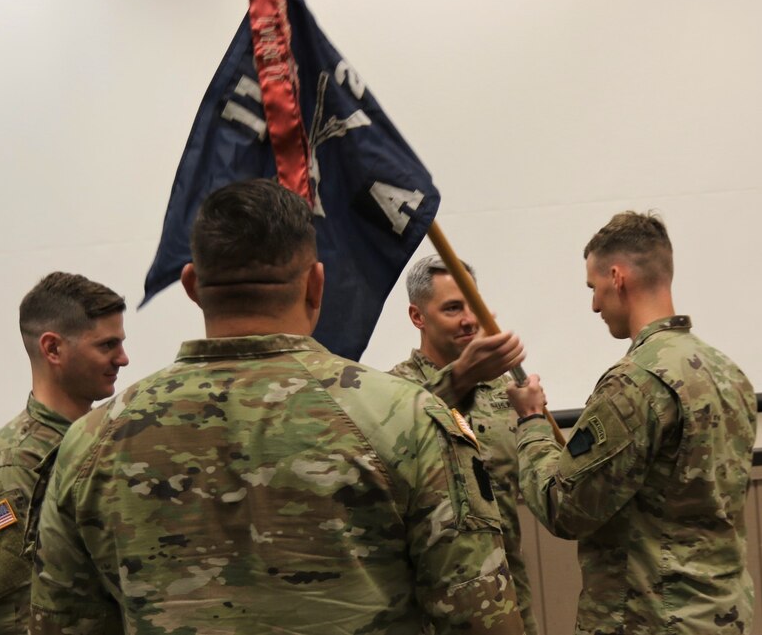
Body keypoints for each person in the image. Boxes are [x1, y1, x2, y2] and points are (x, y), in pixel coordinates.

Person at [29, 179, 525, 635]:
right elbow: (479, 618)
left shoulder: (91, 442)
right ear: (316, 285)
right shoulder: (407, 419)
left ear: (192, 286)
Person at [506, 211, 757, 635]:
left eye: (594, 287)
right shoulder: (729, 374)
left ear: (617, 276)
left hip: (652, 621)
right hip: (722, 616)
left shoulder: (636, 383)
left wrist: (531, 421)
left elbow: (564, 508)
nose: (594, 304)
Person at [0, 272, 128, 635]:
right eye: (107, 345)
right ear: (53, 349)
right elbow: (14, 620)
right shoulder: (9, 471)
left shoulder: (101, 443)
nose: (123, 359)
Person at [389, 255, 538, 635]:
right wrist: (457, 382)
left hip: (507, 602)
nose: (470, 319)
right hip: (431, 612)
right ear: (417, 316)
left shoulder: (504, 392)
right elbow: (398, 449)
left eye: (475, 305)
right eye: (453, 308)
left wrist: (533, 419)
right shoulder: (391, 394)